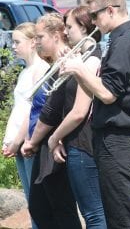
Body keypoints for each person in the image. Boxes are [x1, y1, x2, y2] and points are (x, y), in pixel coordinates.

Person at [59, 0, 130, 229]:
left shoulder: (125, 42)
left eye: (95, 15)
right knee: (114, 214)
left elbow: (108, 94)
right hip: (110, 139)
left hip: (116, 139)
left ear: (110, 10)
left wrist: (79, 69)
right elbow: (100, 91)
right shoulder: (120, 40)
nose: (94, 22)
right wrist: (77, 70)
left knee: (124, 217)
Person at [22, 6, 107, 229]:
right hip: (67, 142)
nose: (66, 32)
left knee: (90, 213)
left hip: (78, 143)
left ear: (85, 28)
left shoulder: (91, 60)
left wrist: (51, 139)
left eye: (69, 27)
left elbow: (77, 111)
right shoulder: (78, 58)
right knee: (50, 207)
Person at [21, 12, 82, 229]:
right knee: (40, 206)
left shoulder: (67, 65)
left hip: (54, 143)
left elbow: (52, 111)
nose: (36, 42)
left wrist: (34, 141)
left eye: (40, 37)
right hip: (44, 143)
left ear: (57, 35)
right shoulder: (53, 66)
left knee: (60, 207)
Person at [2, 22, 50, 229]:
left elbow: (32, 111)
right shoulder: (25, 71)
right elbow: (18, 110)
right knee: (32, 202)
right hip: (19, 144)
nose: (13, 46)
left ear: (32, 42)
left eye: (17, 42)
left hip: (29, 143)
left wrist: (17, 141)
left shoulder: (40, 69)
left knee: (38, 203)